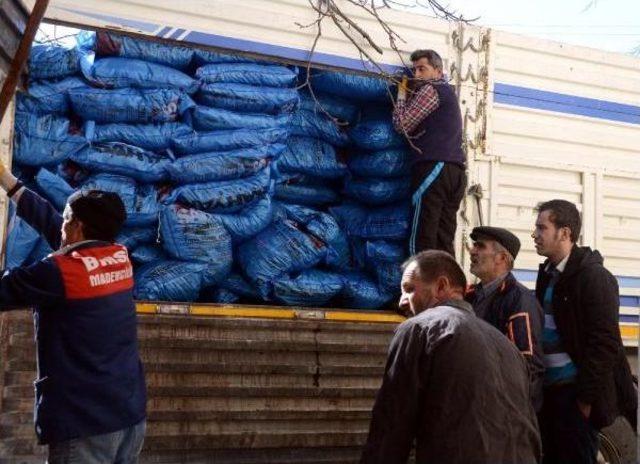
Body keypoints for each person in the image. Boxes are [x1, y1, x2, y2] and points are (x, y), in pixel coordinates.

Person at [0, 164, 147, 463]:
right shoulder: (119, 258)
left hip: (86, 424)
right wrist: (7, 180)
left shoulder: (59, 273)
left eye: (67, 219)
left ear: (77, 227)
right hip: (128, 416)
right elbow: (53, 223)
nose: (61, 227)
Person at [360, 250, 541, 464]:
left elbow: (392, 424)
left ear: (441, 286)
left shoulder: (419, 328)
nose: (401, 302)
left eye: (409, 289)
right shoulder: (506, 346)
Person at [532, 199, 637, 464]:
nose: (534, 235)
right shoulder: (547, 273)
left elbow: (604, 344)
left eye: (541, 228)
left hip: (574, 396)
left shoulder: (594, 277)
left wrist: (584, 401)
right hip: (550, 393)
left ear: (565, 233)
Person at [392, 49, 466, 256]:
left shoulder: (432, 89)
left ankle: (420, 285)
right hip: (455, 171)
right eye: (414, 69)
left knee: (422, 236)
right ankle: (446, 285)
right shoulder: (449, 94)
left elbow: (402, 125)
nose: (416, 75)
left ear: (438, 72)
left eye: (422, 69)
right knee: (443, 238)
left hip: (434, 167)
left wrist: (401, 93)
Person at [465, 225, 545, 411]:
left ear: (501, 258)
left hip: (503, 410)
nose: (472, 251)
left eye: (480, 246)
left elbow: (528, 366)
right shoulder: (471, 296)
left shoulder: (519, 301)